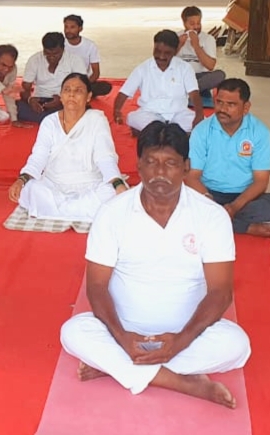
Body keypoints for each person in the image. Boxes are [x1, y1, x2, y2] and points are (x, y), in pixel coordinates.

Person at [59, 121, 250, 409]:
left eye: (170, 163)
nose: (160, 173)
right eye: (151, 162)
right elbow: (96, 286)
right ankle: (182, 382)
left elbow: (221, 292)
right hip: (124, 329)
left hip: (190, 330)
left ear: (186, 167)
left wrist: (180, 340)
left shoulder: (211, 216)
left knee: (237, 344)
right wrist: (122, 337)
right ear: (138, 165)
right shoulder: (112, 213)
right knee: (72, 332)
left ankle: (118, 367)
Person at [9, 73, 127, 222]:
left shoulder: (97, 120)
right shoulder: (49, 122)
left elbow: (105, 157)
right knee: (30, 189)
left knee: (110, 192)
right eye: (67, 90)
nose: (71, 94)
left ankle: (59, 210)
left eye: (78, 90)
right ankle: (79, 210)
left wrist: (117, 184)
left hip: (90, 183)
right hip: (54, 184)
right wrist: (22, 180)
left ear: (89, 96)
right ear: (61, 96)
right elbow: (38, 157)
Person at [186, 78, 270, 239]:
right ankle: (244, 226)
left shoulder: (260, 132)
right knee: (177, 201)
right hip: (208, 193)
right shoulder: (201, 131)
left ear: (246, 107)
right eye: (219, 102)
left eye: (231, 104)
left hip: (244, 197)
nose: (222, 109)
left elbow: (261, 181)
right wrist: (210, 201)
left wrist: (234, 207)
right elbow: (192, 177)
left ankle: (216, 219)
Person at [114, 30, 203, 133]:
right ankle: (174, 133)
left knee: (203, 123)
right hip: (150, 113)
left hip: (178, 114)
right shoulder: (142, 68)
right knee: (134, 118)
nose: (161, 56)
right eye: (157, 51)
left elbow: (194, 93)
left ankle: (155, 133)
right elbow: (124, 91)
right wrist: (117, 110)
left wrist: (199, 115)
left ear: (175, 51)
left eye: (167, 53)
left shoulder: (185, 68)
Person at [17, 32, 82, 125]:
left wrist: (62, 100)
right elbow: (25, 89)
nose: (51, 57)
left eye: (55, 53)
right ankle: (56, 118)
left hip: (67, 100)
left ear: (63, 49)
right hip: (40, 100)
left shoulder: (75, 60)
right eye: (47, 53)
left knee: (77, 106)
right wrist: (30, 100)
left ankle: (50, 118)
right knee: (18, 108)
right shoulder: (34, 60)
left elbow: (81, 88)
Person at [177, 6, 226, 94]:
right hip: (180, 75)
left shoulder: (208, 39)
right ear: (184, 23)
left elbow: (210, 66)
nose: (196, 27)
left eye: (198, 23)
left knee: (220, 75)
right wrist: (179, 45)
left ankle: (187, 91)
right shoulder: (176, 36)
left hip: (200, 76)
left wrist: (196, 46)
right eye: (192, 24)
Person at [63, 15, 112, 97]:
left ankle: (80, 92)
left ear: (80, 29)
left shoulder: (90, 45)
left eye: (72, 27)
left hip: (83, 81)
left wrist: (83, 84)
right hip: (63, 81)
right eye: (66, 27)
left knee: (105, 87)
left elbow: (96, 73)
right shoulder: (60, 44)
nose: (68, 30)